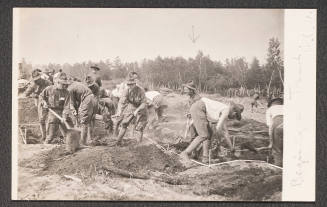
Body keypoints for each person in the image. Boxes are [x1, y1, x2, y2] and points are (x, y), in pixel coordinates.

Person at [179, 81, 244, 165]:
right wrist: (218, 141)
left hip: (200, 108)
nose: (232, 119)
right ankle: (185, 153)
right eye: (235, 117)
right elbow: (218, 128)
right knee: (204, 135)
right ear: (234, 113)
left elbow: (225, 133)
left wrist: (232, 149)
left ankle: (205, 158)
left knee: (208, 134)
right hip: (199, 107)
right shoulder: (226, 111)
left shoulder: (223, 110)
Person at [113, 72, 148, 145]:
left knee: (139, 127)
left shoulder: (141, 90)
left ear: (135, 84)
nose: (129, 86)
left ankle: (139, 144)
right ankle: (118, 142)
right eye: (128, 84)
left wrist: (137, 110)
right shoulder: (126, 90)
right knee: (124, 124)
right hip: (131, 106)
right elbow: (121, 102)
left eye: (131, 84)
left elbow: (144, 103)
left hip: (141, 108)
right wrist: (119, 111)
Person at [39, 73, 72, 144]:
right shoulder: (49, 89)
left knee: (68, 133)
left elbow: (67, 106)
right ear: (57, 82)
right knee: (51, 135)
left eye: (65, 84)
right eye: (63, 84)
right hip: (53, 112)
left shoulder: (67, 92)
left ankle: (69, 149)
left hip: (62, 112)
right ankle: (45, 146)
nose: (64, 86)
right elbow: (41, 96)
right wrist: (43, 102)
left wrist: (64, 117)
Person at [66, 81, 98, 145]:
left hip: (87, 99)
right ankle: (90, 139)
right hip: (93, 98)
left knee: (84, 122)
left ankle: (83, 143)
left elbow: (72, 103)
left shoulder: (70, 89)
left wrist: (74, 111)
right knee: (90, 120)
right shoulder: (77, 84)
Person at [24, 69, 52, 141]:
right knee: (42, 119)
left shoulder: (47, 83)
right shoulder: (33, 85)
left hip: (49, 101)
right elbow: (26, 94)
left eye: (38, 79)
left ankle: (50, 135)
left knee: (50, 119)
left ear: (40, 77)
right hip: (39, 102)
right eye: (35, 80)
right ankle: (44, 136)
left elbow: (53, 91)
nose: (37, 81)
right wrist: (35, 95)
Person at [266, 97, 283, 167]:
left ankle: (278, 169)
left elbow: (270, 127)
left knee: (277, 151)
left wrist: (271, 143)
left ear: (271, 104)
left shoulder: (270, 109)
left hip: (277, 125)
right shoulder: (287, 107)